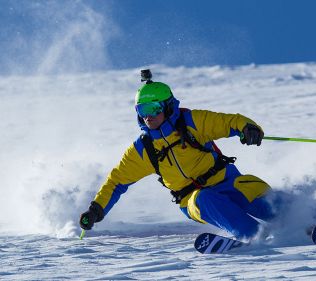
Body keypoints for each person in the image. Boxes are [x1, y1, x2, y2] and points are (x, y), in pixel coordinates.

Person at [79, 70, 275, 240]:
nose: (148, 117)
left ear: (167, 106)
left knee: (252, 189)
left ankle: (300, 220)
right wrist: (96, 210)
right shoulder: (144, 149)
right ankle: (254, 235)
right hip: (192, 199)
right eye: (142, 110)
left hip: (227, 180)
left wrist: (248, 128)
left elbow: (229, 122)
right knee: (206, 198)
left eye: (154, 108)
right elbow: (116, 182)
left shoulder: (191, 121)